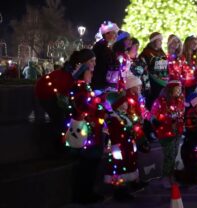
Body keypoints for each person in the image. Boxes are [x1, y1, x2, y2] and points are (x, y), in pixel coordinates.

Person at [62, 49, 106, 204]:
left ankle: (88, 192)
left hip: (92, 130)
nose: (92, 73)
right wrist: (98, 107)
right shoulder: (80, 87)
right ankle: (83, 194)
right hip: (86, 131)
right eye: (90, 70)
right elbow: (83, 107)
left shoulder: (85, 87)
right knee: (87, 165)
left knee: (91, 165)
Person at [35, 50, 92, 154]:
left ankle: (65, 146)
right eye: (92, 61)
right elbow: (66, 95)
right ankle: (59, 149)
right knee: (60, 120)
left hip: (57, 93)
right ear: (83, 62)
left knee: (63, 119)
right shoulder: (71, 75)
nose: (94, 64)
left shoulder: (76, 72)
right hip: (47, 93)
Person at [104, 75, 150, 201]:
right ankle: (120, 192)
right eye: (123, 103)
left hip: (127, 145)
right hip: (119, 147)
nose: (126, 105)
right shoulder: (114, 119)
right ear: (118, 105)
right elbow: (116, 134)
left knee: (127, 166)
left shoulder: (124, 116)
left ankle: (127, 188)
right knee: (120, 168)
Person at [151, 80, 185, 188]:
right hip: (165, 132)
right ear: (170, 89)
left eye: (180, 89)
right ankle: (165, 177)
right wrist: (168, 118)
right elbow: (154, 116)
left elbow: (181, 113)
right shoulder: (161, 101)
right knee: (168, 155)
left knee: (174, 154)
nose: (179, 91)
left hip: (177, 131)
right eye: (177, 88)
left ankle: (171, 176)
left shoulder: (180, 100)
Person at [139, 32, 168, 109]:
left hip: (162, 81)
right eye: (159, 40)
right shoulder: (146, 52)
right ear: (153, 41)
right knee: (151, 102)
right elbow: (143, 67)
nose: (161, 42)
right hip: (152, 82)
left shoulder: (161, 52)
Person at [91, 21, 119, 90]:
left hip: (106, 82)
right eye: (114, 33)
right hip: (100, 83)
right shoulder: (100, 46)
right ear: (107, 34)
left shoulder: (108, 47)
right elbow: (102, 64)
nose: (116, 36)